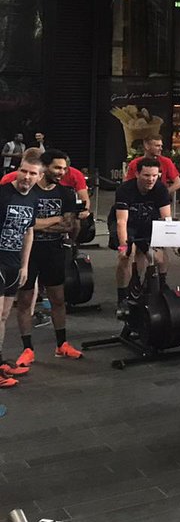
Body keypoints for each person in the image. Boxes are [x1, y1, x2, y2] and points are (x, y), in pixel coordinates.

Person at [13, 150, 83, 364]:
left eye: (64, 168)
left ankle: (61, 344)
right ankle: (27, 349)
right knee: (25, 301)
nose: (61, 172)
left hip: (54, 251)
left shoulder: (67, 194)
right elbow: (24, 225)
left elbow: (68, 226)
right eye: (57, 168)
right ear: (45, 168)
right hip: (27, 252)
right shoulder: (28, 191)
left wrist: (36, 224)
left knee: (58, 299)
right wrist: (53, 219)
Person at [112, 157, 173, 316]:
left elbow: (166, 218)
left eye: (154, 175)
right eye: (146, 175)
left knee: (159, 258)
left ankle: (159, 287)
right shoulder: (125, 189)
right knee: (126, 256)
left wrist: (173, 242)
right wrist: (124, 246)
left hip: (149, 225)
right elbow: (121, 221)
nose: (151, 179)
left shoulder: (160, 189)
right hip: (128, 225)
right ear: (137, 174)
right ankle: (123, 298)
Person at [0, 155, 40, 383]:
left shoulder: (32, 198)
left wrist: (25, 265)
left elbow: (28, 232)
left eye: (32, 173)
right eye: (24, 171)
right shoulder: (3, 193)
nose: (26, 176)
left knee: (4, 316)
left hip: (15, 263)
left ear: (39, 176)